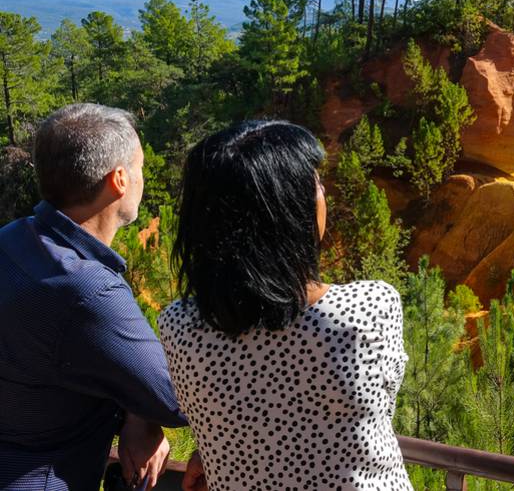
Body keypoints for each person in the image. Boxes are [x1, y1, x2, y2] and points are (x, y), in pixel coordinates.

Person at [159, 121, 413, 491]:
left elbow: (231, 417)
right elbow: (375, 413)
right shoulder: (367, 309)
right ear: (291, 211)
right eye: (317, 185)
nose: (324, 193)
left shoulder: (178, 326)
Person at [0, 104, 186, 491]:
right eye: (140, 167)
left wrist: (137, 410)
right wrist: (142, 409)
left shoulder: (14, 238)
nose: (143, 177)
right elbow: (175, 396)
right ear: (119, 179)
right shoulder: (86, 290)